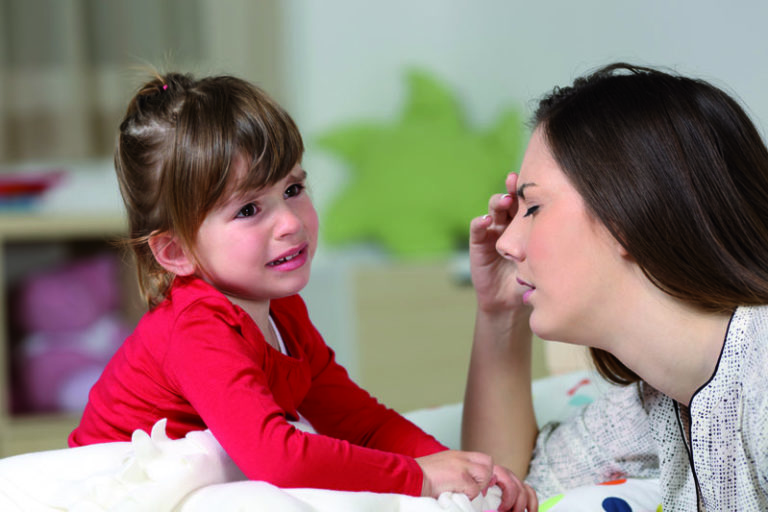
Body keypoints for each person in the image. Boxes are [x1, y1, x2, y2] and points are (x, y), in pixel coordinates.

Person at [68, 72, 536, 511]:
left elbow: (358, 421)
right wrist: (420, 478)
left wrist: (463, 470)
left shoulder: (283, 311)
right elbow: (279, 460)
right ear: (175, 252)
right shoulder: (196, 328)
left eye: (293, 189)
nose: (291, 223)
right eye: (249, 210)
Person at [462, 62, 768, 510]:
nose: (505, 242)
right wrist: (499, 311)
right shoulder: (659, 400)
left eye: (533, 208)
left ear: (626, 210)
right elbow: (503, 488)